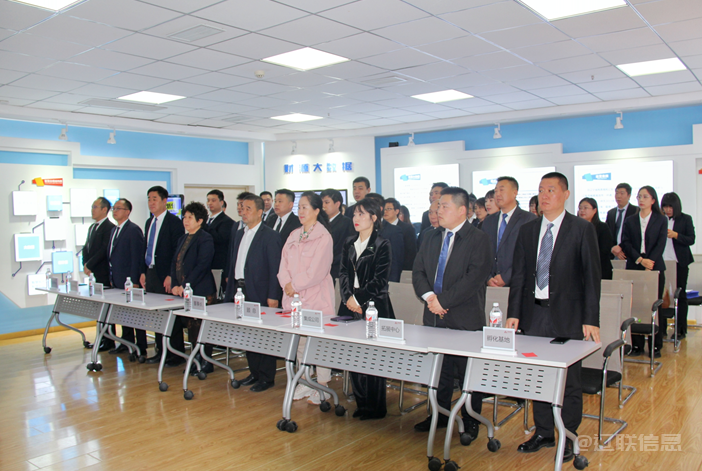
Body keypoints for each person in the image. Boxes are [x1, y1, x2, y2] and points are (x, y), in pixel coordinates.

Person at [506, 172, 600, 463]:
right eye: (541, 190)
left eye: (551, 190)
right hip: (534, 314)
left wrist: (591, 318)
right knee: (537, 376)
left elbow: (591, 277)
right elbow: (519, 276)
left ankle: (568, 436)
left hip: (568, 315)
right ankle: (544, 432)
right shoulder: (527, 230)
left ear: (565, 194)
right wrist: (513, 314)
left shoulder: (581, 229)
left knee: (569, 381)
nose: (544, 195)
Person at [412, 187, 492, 440]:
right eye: (438, 206)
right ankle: (439, 415)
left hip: (464, 317)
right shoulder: (431, 236)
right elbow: (418, 271)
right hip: (433, 315)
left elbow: (474, 278)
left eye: (444, 206)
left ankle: (471, 419)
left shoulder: (478, 239)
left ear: (462, 210)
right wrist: (430, 298)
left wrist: (442, 301)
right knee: (439, 370)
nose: (438, 211)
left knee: (468, 372)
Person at [338, 197, 395, 420]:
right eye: (354, 214)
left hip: (374, 306)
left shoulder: (382, 244)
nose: (356, 218)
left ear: (373, 217)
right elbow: (343, 273)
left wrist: (358, 299)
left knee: (374, 357)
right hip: (350, 305)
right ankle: (361, 403)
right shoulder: (349, 242)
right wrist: (348, 298)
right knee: (354, 355)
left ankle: (376, 407)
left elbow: (380, 280)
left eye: (361, 214)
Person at [278, 191, 335, 405]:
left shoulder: (323, 237)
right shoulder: (293, 235)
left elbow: (317, 271)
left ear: (317, 210)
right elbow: (283, 265)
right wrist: (286, 284)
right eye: (299, 207)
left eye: (305, 207)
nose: (300, 211)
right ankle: (304, 380)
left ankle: (322, 385)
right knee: (300, 342)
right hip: (293, 298)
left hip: (316, 298)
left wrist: (294, 285)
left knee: (319, 343)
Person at [224, 194, 282, 392]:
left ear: (260, 212)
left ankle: (266, 377)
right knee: (248, 333)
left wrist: (273, 295)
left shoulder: (270, 236)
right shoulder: (240, 233)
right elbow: (234, 263)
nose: (243, 212)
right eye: (242, 208)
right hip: (241, 289)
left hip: (261, 292)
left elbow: (275, 268)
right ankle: (254, 372)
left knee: (263, 335)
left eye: (248, 208)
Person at [141, 186, 186, 367]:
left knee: (170, 315)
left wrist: (170, 275)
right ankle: (161, 351)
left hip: (166, 275)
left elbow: (177, 252)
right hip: (151, 272)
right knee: (156, 315)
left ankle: (175, 354)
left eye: (154, 199)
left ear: (164, 201)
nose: (151, 202)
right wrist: (143, 272)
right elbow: (146, 249)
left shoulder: (173, 222)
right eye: (149, 199)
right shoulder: (149, 222)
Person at [170, 202, 217, 375]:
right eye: (184, 217)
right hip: (184, 291)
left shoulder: (205, 238)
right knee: (191, 327)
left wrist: (184, 285)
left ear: (200, 220)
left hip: (201, 290)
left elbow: (202, 266)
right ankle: (195, 359)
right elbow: (175, 263)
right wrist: (175, 284)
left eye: (190, 217)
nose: (186, 220)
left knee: (201, 327)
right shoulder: (182, 238)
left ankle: (206, 361)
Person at [621, 186, 667, 358]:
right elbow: (626, 243)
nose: (641, 199)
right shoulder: (630, 220)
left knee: (654, 305)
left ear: (653, 200)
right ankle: (637, 345)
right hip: (635, 265)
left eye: (645, 196)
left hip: (655, 267)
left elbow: (660, 244)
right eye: (639, 196)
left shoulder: (661, 219)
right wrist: (640, 260)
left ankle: (655, 346)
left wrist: (649, 263)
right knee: (635, 306)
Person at [107, 199, 147, 356]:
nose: (115, 211)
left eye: (118, 208)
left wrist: (135, 280)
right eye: (114, 208)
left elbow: (137, 257)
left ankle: (141, 346)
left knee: (136, 313)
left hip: (130, 280)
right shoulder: (114, 230)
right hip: (117, 278)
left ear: (127, 211)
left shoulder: (133, 230)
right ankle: (126, 342)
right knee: (123, 312)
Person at [482, 177, 537, 287]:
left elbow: (530, 255)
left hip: (518, 284)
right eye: (496, 191)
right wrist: (488, 277)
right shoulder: (488, 221)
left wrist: (506, 277)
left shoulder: (529, 219)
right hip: (491, 284)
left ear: (514, 192)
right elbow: (482, 252)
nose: (497, 194)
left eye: (502, 190)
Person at [82, 197, 116, 352]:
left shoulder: (109, 227)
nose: (92, 210)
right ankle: (102, 339)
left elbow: (103, 250)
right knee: (99, 308)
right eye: (92, 206)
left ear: (104, 210)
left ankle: (109, 340)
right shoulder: (92, 227)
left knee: (106, 308)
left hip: (104, 273)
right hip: (94, 273)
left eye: (95, 207)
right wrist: (86, 263)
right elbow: (86, 248)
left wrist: (90, 264)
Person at [661, 192, 695, 339]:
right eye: (665, 206)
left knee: (680, 295)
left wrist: (676, 235)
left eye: (671, 207)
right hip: (662, 262)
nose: (668, 210)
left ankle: (680, 329)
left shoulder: (685, 219)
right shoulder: (659, 219)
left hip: (679, 263)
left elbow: (691, 239)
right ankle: (661, 329)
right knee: (661, 296)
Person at [365, 193, 404, 282]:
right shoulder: (359, 229)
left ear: (380, 208)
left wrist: (392, 285)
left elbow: (395, 263)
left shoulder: (393, 231)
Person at [321, 188, 354, 281]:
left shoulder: (347, 223)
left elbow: (349, 249)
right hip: (320, 271)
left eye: (327, 202)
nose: (323, 206)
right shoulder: (319, 223)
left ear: (337, 204)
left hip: (337, 271)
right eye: (321, 202)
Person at [205, 189, 234, 297]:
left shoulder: (227, 221)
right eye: (208, 200)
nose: (210, 203)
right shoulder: (207, 220)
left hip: (218, 266)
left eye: (213, 200)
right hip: (206, 265)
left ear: (221, 202)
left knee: (216, 296)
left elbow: (220, 240)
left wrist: (206, 226)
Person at [578, 197, 614, 280]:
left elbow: (605, 250)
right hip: (579, 270)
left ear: (594, 210)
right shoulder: (574, 228)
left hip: (600, 269)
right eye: (580, 208)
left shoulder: (603, 227)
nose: (582, 211)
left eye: (585, 208)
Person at [606, 183, 639, 261]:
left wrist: (621, 247)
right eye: (617, 193)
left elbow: (635, 234)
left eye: (622, 193)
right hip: (613, 254)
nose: (618, 196)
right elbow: (607, 234)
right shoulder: (611, 213)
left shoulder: (636, 211)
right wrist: (613, 249)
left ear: (629, 195)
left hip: (630, 254)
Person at [384, 197, 417, 271]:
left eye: (389, 209)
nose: (385, 211)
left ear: (397, 211)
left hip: (402, 269)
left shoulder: (407, 228)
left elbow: (411, 252)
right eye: (384, 209)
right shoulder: (381, 228)